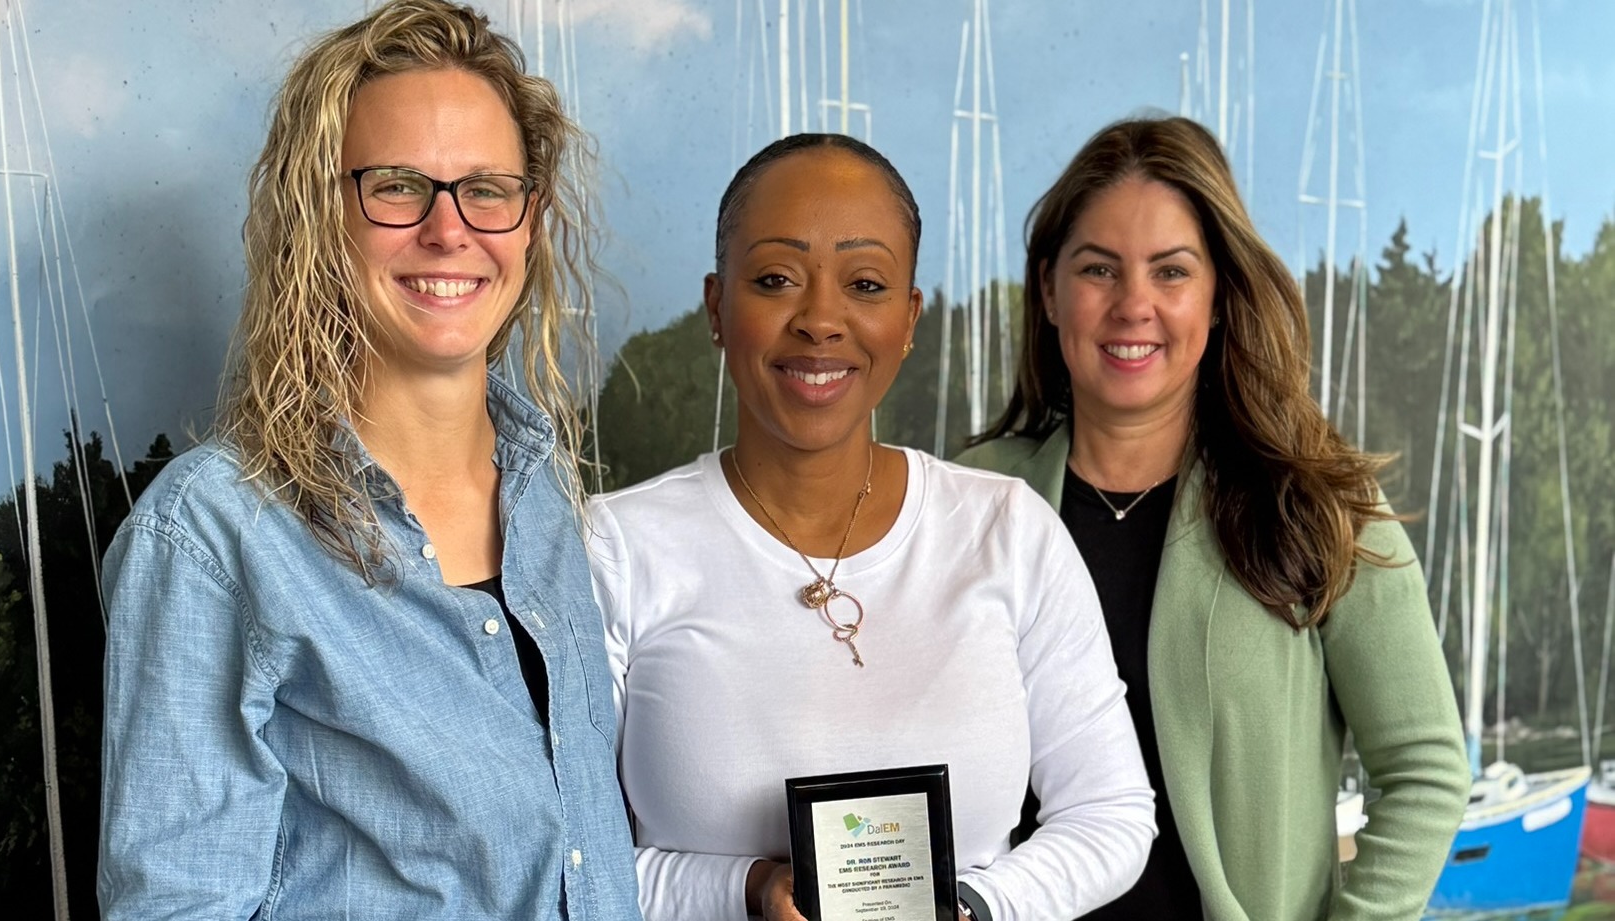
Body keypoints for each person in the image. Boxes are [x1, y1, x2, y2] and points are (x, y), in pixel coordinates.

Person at [97, 3, 642, 918]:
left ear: (531, 220)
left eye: (487, 188)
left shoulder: (547, 494)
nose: (448, 229)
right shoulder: (212, 536)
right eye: (397, 186)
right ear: (323, 216)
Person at [586, 132, 1156, 921]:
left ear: (910, 316)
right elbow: (564, 852)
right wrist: (743, 890)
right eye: (776, 278)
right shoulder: (615, 548)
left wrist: (980, 906)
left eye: (865, 282)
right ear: (718, 308)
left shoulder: (1008, 531)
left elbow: (1113, 811)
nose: (822, 320)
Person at [958, 116, 1470, 920]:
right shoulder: (969, 502)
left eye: (1171, 272)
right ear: (1050, 290)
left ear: (1220, 296)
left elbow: (1427, 767)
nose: (1134, 305)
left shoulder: (1319, 506)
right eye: (1099, 269)